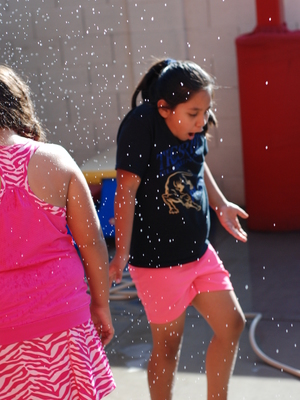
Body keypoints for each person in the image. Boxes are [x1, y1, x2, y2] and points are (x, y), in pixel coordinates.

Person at [109, 59, 248, 400]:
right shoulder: (141, 127)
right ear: (163, 108)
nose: (202, 123)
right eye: (193, 113)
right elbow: (125, 190)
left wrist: (220, 204)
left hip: (198, 253)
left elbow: (197, 166)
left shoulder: (192, 127)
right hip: (158, 262)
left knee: (232, 325)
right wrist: (121, 253)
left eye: (206, 112)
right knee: (169, 349)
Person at [0, 65, 116, 399]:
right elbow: (93, 243)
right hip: (62, 319)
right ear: (20, 106)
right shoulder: (54, 160)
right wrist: (100, 304)